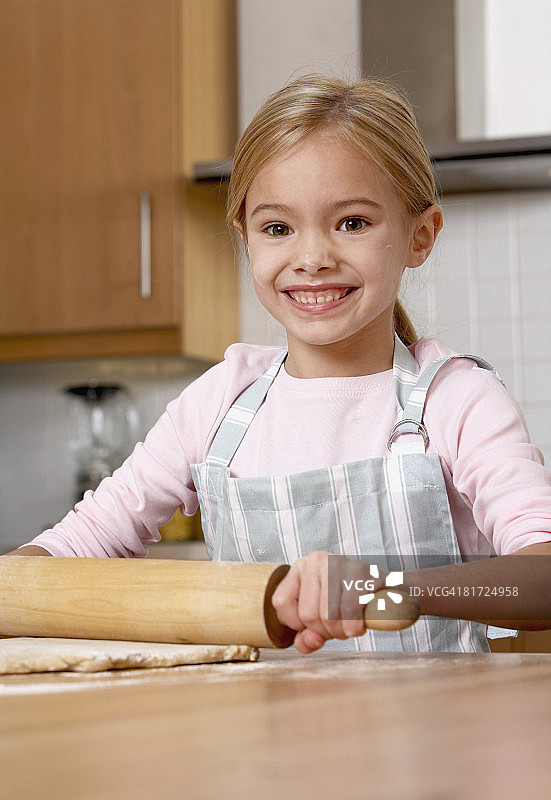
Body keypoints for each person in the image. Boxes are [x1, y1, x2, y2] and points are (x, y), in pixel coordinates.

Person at [8, 75, 551, 654]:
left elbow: (540, 579)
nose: (312, 258)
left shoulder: (457, 400)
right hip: (258, 739)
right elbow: (78, 544)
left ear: (421, 235)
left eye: (352, 223)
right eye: (277, 228)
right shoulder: (218, 402)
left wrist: (379, 594)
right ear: (245, 237)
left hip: (435, 738)